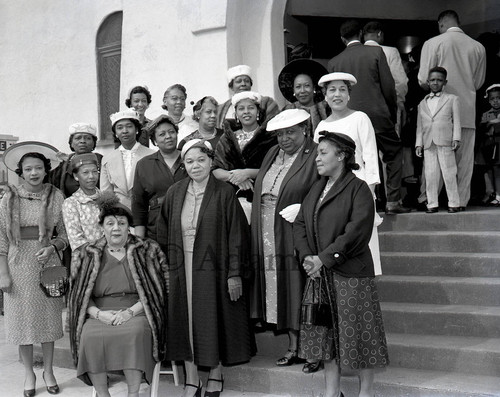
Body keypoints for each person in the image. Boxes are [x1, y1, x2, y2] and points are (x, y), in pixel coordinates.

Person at [294, 132, 389, 397]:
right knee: (326, 336)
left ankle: (366, 392)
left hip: (351, 274)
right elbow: (301, 223)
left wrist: (323, 259)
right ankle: (332, 392)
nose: (318, 157)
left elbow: (356, 232)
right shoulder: (316, 187)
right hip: (320, 274)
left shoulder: (358, 189)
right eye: (317, 152)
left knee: (361, 334)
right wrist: (307, 257)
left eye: (323, 152)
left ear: (342, 155)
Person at [157, 139, 251, 397]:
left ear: (211, 162)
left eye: (201, 160)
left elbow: (237, 237)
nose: (195, 165)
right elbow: (162, 232)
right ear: (183, 165)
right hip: (181, 268)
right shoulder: (175, 192)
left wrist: (234, 273)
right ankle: (191, 379)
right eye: (189, 161)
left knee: (212, 320)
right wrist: (165, 268)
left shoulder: (224, 193)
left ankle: (215, 375)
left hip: (215, 269)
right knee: (184, 322)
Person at [69, 193, 167, 397]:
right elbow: (77, 295)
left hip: (139, 310)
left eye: (121, 223)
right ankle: (104, 395)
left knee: (135, 333)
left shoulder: (148, 249)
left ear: (128, 226)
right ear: (101, 226)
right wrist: (97, 314)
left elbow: (159, 291)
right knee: (90, 336)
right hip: (99, 311)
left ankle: (133, 393)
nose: (116, 228)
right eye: (110, 223)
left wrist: (130, 313)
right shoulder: (85, 253)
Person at [249, 109, 321, 373]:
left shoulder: (315, 154)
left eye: (290, 132)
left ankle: (313, 350)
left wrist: (303, 209)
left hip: (297, 231)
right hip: (267, 230)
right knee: (279, 291)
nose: (284, 138)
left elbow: (324, 190)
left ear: (305, 129)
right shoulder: (271, 154)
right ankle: (293, 346)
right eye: (280, 134)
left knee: (302, 289)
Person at [0, 143, 69, 397]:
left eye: (38, 168)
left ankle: (48, 370)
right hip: (18, 265)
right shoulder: (9, 197)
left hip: (48, 264)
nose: (33, 173)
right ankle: (29, 372)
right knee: (23, 323)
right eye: (28, 168)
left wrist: (53, 247)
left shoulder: (56, 196)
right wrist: (2, 273)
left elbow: (65, 233)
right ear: (21, 172)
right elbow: (0, 238)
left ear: (46, 170)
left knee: (49, 321)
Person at [328, 20, 409, 215]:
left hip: (350, 119)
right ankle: (393, 200)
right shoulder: (375, 52)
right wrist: (389, 111)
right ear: (362, 33)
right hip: (378, 116)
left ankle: (373, 201)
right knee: (393, 154)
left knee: (361, 159)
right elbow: (388, 87)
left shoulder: (334, 62)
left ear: (342, 39)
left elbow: (334, 96)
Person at [313, 72, 382, 275]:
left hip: (358, 188)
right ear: (325, 96)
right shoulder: (322, 126)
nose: (337, 95)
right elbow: (320, 163)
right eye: (332, 90)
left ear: (349, 95)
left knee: (362, 240)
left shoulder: (360, 118)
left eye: (342, 90)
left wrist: (369, 194)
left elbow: (370, 157)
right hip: (333, 191)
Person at [418, 10, 486, 210]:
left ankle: (429, 200)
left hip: (437, 112)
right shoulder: (478, 47)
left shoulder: (433, 43)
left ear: (441, 23)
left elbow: (424, 79)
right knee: (464, 161)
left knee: (433, 161)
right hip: (466, 108)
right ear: (459, 22)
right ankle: (460, 201)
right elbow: (478, 82)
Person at [212, 91, 277, 213]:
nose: (246, 112)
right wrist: (236, 177)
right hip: (232, 198)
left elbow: (277, 168)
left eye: (251, 108)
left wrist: (247, 173)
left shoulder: (270, 136)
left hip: (265, 197)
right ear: (236, 114)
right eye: (241, 109)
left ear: (258, 112)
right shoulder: (227, 138)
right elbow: (215, 170)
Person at [132, 114, 188, 240]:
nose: (168, 136)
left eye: (171, 132)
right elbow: (139, 206)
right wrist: (139, 241)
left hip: (189, 226)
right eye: (162, 134)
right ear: (154, 141)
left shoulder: (189, 159)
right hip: (157, 230)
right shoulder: (144, 165)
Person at [416, 67, 461, 213]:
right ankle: (432, 203)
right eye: (433, 80)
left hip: (445, 140)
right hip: (428, 142)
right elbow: (420, 126)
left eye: (439, 80)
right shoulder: (422, 103)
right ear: (428, 82)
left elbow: (457, 121)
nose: (436, 83)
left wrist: (456, 138)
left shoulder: (452, 99)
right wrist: (418, 144)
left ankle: (454, 203)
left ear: (445, 82)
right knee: (430, 174)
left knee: (449, 172)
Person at [100, 109, 154, 210]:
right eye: (120, 128)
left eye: (129, 126)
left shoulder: (152, 155)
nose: (125, 131)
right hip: (118, 212)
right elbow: (106, 192)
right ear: (115, 133)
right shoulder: (107, 159)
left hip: (146, 211)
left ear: (137, 129)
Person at [363, 21, 408, 135]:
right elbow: (400, 81)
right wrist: (400, 101)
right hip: (385, 108)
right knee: (388, 146)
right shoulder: (390, 51)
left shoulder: (355, 53)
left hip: (359, 108)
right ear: (379, 34)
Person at [217, 65, 279, 131]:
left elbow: (274, 125)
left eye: (247, 81)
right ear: (231, 86)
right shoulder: (221, 109)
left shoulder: (267, 103)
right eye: (238, 81)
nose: (243, 84)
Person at [49, 123, 103, 198]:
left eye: (88, 138)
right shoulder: (62, 165)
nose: (83, 141)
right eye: (78, 138)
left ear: (94, 142)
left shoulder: (102, 161)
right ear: (71, 143)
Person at [62, 153, 103, 250]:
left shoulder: (108, 198)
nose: (91, 176)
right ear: (76, 176)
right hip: (88, 259)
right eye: (85, 173)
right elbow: (76, 240)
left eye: (94, 172)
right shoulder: (71, 203)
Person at [279, 59, 329, 136]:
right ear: (293, 91)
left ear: (314, 88)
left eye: (307, 86)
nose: (302, 91)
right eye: (298, 87)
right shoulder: (287, 112)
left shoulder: (327, 110)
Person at [478, 84, 500, 206]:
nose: (495, 101)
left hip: (499, 144)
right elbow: (482, 127)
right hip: (489, 145)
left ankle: (499, 195)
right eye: (492, 99)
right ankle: (490, 192)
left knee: (497, 170)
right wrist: (489, 123)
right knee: (488, 170)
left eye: (498, 98)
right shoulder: (487, 114)